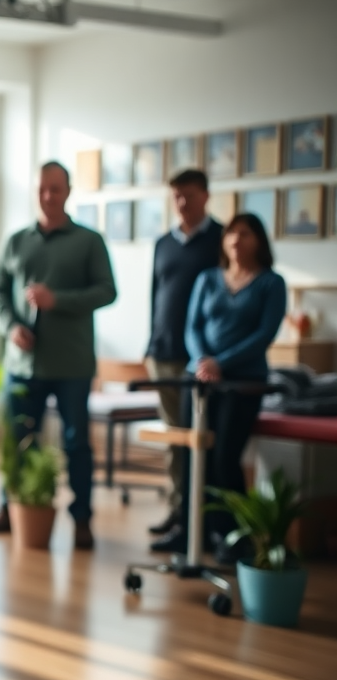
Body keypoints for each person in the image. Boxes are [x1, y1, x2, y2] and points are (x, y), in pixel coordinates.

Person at [0, 161, 117, 550]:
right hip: (24, 365)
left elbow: (107, 291)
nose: (48, 196)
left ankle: (82, 519)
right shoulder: (16, 241)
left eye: (55, 189)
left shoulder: (89, 241)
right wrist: (11, 327)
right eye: (42, 188)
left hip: (71, 364)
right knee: (18, 439)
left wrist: (59, 301)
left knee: (76, 444)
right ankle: (10, 508)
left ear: (68, 192)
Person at [183, 213, 287, 563]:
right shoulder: (207, 279)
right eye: (231, 234)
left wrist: (221, 363)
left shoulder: (271, 283)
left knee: (226, 458)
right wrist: (203, 362)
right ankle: (190, 531)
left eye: (245, 234)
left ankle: (233, 536)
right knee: (194, 456)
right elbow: (192, 327)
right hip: (199, 381)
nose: (236, 240)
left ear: (258, 240)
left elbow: (264, 336)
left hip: (243, 383)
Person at [144, 169, 224, 553]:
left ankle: (203, 518)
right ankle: (179, 512)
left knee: (201, 439)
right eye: (176, 196)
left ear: (205, 196)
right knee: (174, 438)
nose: (181, 203)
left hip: (201, 360)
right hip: (162, 353)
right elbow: (155, 295)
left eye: (188, 196)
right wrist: (150, 342)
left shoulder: (222, 240)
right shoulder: (163, 243)